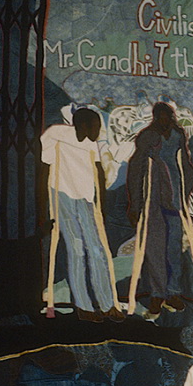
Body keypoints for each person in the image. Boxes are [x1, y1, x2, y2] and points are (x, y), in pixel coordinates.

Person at [40, 107, 124, 323]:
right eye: (95, 127)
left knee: (97, 250)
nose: (98, 131)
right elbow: (45, 165)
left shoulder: (90, 143)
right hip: (62, 196)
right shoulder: (55, 134)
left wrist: (101, 206)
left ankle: (107, 305)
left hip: (85, 199)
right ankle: (83, 306)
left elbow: (99, 171)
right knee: (77, 249)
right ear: (83, 126)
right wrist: (43, 209)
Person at [126, 101, 193, 319]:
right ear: (156, 118)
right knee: (155, 247)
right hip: (153, 198)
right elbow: (136, 169)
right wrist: (135, 204)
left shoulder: (177, 135)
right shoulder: (147, 136)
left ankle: (173, 292)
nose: (166, 121)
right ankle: (158, 294)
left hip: (174, 197)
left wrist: (186, 192)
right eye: (161, 117)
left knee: (173, 247)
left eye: (169, 117)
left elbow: (185, 164)